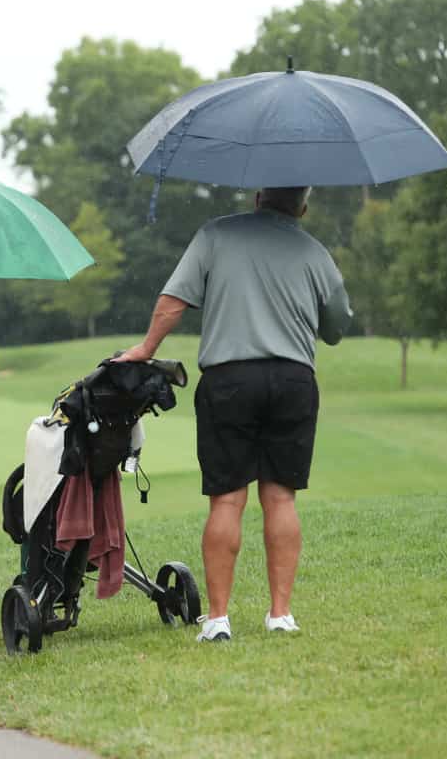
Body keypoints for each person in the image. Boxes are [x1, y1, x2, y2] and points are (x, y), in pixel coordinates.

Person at [115, 187, 352, 642]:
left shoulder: (215, 235)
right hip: (292, 381)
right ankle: (280, 615)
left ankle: (219, 620)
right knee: (281, 498)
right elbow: (337, 327)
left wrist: (146, 349)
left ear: (259, 196)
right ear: (302, 205)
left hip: (228, 381)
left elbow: (172, 301)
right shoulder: (314, 251)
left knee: (227, 500)